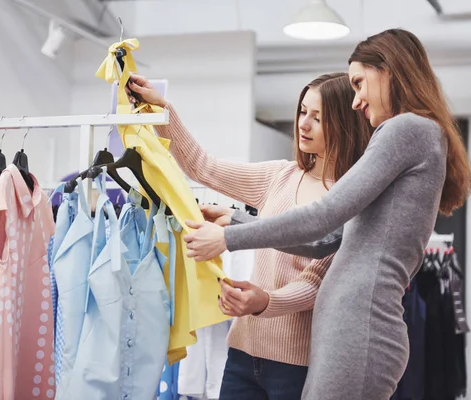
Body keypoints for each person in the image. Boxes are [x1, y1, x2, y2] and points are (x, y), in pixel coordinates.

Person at [180, 28, 471, 400]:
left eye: (358, 83)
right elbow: (327, 241)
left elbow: (326, 214)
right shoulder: (417, 134)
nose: (355, 101)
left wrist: (227, 240)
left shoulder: (406, 129)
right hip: (350, 326)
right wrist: (236, 221)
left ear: (389, 71)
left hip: (359, 325)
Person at [126, 72, 371, 399]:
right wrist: (162, 108)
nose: (303, 124)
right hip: (242, 354)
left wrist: (265, 301)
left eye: (318, 118)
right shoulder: (280, 176)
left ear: (344, 124)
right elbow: (203, 166)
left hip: (298, 364)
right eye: (302, 112)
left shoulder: (348, 197)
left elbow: (317, 283)